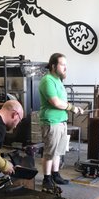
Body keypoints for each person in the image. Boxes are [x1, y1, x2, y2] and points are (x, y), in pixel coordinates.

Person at [38, 53, 84, 190]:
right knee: (50, 152)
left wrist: (74, 108)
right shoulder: (48, 80)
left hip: (61, 121)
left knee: (59, 151)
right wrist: (72, 108)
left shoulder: (58, 81)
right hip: (51, 122)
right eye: (62, 65)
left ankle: (55, 175)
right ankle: (47, 179)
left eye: (66, 65)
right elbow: (56, 102)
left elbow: (63, 102)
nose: (65, 68)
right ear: (53, 66)